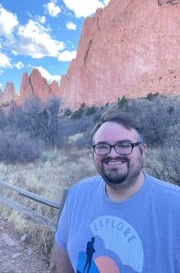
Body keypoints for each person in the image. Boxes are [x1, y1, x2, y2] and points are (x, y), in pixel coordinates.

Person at [54, 111, 180, 273]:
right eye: (102, 146)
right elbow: (62, 247)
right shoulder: (77, 194)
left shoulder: (175, 205)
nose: (113, 154)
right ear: (93, 153)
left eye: (124, 145)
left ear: (143, 151)